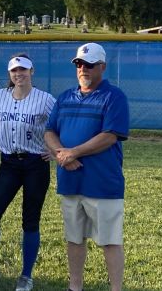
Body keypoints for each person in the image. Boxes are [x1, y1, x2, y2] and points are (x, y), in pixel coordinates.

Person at [44, 43, 129, 291]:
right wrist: (62, 155)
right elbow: (49, 131)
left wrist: (74, 152)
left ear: (102, 66)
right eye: (79, 64)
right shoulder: (65, 97)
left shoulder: (114, 96)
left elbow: (110, 135)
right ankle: (75, 286)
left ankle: (116, 288)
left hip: (102, 183)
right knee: (74, 238)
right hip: (70, 181)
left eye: (89, 65)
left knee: (109, 241)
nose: (83, 69)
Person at [0, 55, 56, 291]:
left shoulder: (44, 99)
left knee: (30, 220)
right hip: (9, 163)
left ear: (32, 71)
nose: (18, 74)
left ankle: (26, 276)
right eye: (14, 71)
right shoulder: (1, 96)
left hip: (35, 163)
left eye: (23, 70)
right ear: (10, 74)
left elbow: (61, 123)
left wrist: (57, 150)